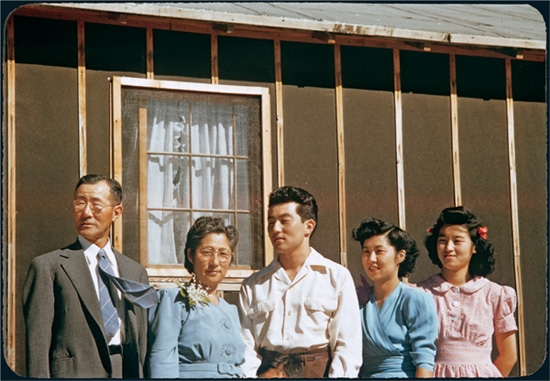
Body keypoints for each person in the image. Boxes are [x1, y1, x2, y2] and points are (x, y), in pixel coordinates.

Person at [22, 174, 156, 378]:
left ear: (116, 212)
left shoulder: (135, 272)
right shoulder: (49, 266)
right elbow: (37, 345)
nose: (86, 213)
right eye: (79, 204)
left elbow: (142, 342)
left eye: (96, 205)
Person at [238, 186, 362, 378]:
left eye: (284, 221)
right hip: (268, 372)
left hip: (318, 372)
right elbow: (246, 346)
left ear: (308, 226)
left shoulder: (336, 277)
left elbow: (347, 345)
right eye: (271, 222)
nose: (275, 229)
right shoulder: (253, 285)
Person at [417, 206, 518, 377]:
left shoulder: (495, 294)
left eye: (457, 241)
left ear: (474, 247)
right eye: (442, 240)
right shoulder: (420, 293)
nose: (448, 247)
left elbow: (509, 355)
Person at [147, 216, 245, 378]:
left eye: (223, 254)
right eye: (207, 252)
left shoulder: (230, 310)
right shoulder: (174, 300)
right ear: (191, 255)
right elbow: (162, 357)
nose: (215, 262)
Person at [352, 218, 438, 378]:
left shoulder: (416, 299)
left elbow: (424, 360)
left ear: (400, 256)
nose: (371, 259)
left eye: (379, 251)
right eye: (366, 252)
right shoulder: (358, 301)